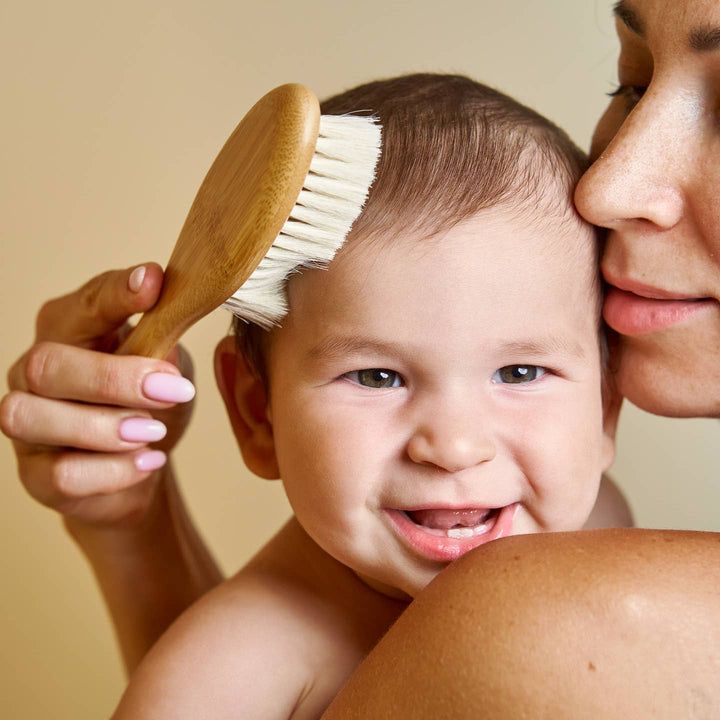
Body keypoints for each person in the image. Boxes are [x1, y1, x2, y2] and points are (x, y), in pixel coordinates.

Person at [3, 73, 626, 719]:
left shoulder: (598, 522)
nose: (455, 447)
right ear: (257, 413)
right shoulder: (228, 671)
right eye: (377, 377)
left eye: (520, 373)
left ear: (608, 405)